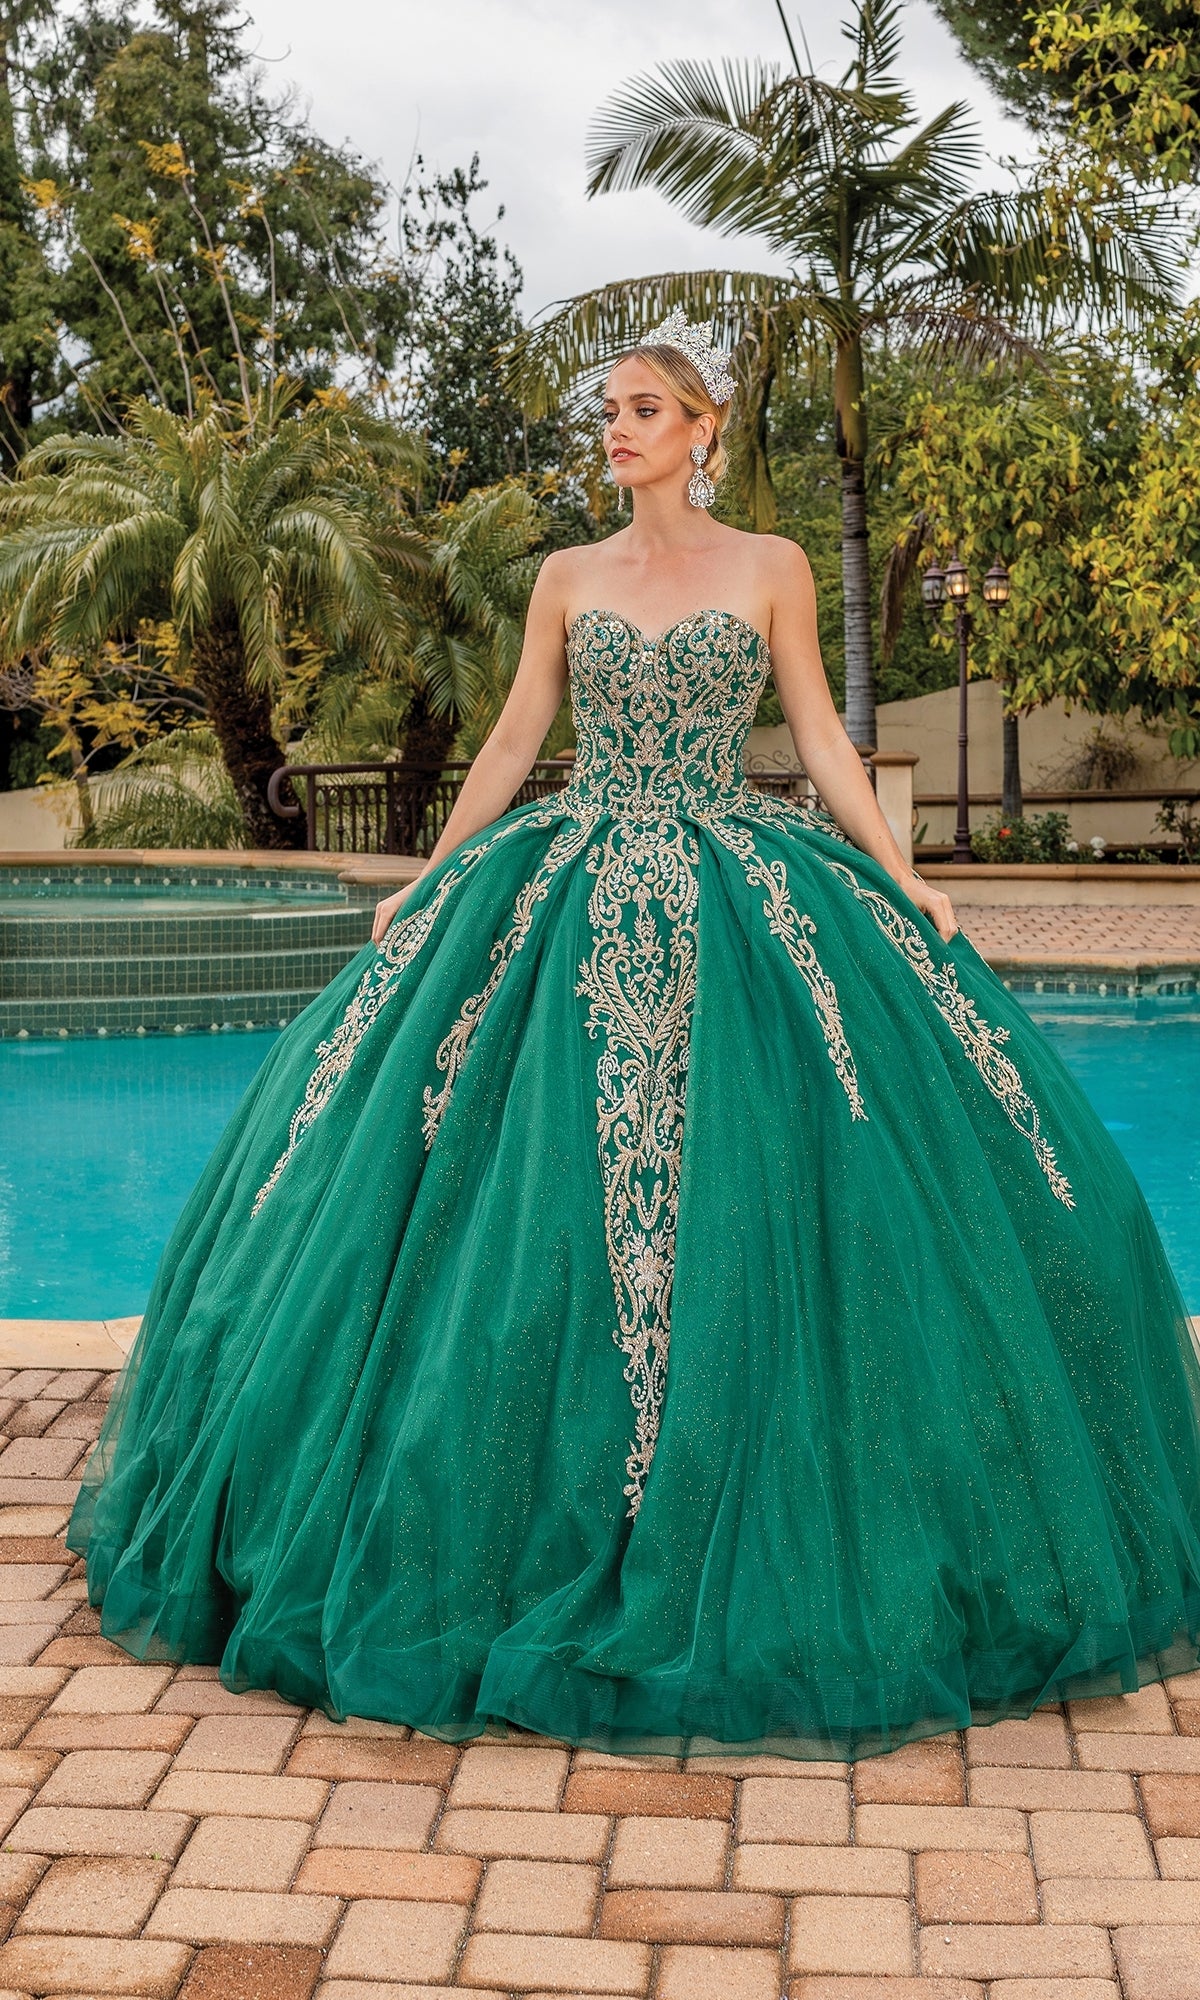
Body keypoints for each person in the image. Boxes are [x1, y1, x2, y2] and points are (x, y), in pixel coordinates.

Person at [69, 310, 1200, 1761]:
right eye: (610, 409)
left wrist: (908, 878)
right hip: (567, 879)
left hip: (740, 882)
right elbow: (513, 735)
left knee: (787, 1187)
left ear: (706, 432)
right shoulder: (562, 577)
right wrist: (430, 875)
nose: (620, 429)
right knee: (495, 1192)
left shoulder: (773, 570)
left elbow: (824, 741)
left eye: (648, 409)